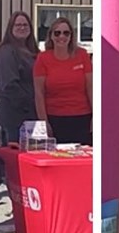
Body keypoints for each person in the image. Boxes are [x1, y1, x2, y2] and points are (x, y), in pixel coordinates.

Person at [33, 16, 93, 146]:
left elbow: (90, 88)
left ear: (71, 36)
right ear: (51, 36)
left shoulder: (82, 55)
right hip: (54, 118)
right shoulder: (43, 58)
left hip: (82, 118)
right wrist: (44, 123)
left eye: (66, 33)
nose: (62, 36)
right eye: (57, 33)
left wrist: (96, 116)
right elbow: (39, 93)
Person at [0, 10, 40, 145]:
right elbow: (9, 86)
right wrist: (31, 103)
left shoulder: (33, 52)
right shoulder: (6, 52)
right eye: (18, 25)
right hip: (16, 118)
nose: (22, 28)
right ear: (10, 28)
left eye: (25, 25)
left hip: (33, 117)